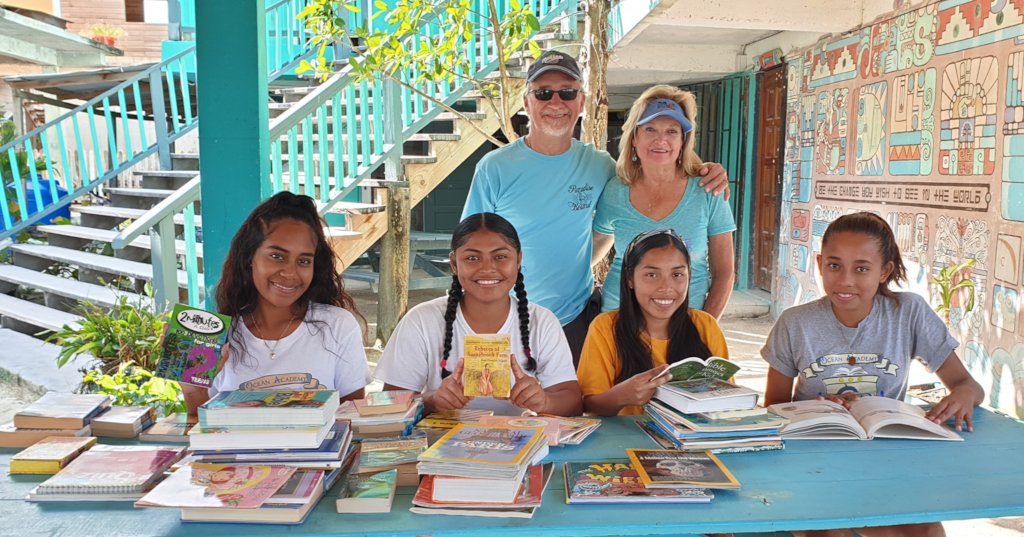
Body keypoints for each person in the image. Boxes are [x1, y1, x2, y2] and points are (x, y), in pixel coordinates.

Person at [462, 49, 730, 365]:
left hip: (574, 319)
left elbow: (616, 219)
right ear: (526, 102)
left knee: (575, 408)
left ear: (582, 102)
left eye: (567, 92)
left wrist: (706, 169)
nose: (556, 102)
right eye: (544, 93)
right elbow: (468, 250)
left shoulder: (600, 167)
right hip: (502, 317)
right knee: (490, 407)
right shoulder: (494, 168)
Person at [762, 212, 984, 537]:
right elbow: (773, 410)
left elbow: (969, 385)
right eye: (834, 265)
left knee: (926, 532)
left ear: (885, 271)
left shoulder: (908, 313)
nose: (845, 280)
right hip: (811, 464)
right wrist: (822, 409)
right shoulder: (795, 324)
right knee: (829, 531)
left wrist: (963, 395)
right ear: (820, 263)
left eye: (861, 268)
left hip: (886, 463)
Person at [374, 212, 582, 416]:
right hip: (440, 445)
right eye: (472, 258)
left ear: (518, 260)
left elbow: (572, 402)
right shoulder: (421, 321)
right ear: (454, 263)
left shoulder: (541, 322)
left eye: (500, 257)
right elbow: (390, 403)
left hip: (518, 442)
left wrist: (544, 401)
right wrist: (432, 400)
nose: (487, 268)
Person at [183, 192, 370, 416]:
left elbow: (352, 419)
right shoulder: (217, 337)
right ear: (249, 257)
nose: (290, 273)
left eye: (303, 261)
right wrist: (193, 388)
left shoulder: (337, 326)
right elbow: (204, 426)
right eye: (277, 256)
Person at [593, 85, 736, 318]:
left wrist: (705, 327)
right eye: (650, 129)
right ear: (634, 140)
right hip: (619, 321)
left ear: (683, 142)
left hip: (686, 325)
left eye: (672, 131)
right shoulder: (616, 191)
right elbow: (594, 247)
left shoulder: (709, 189)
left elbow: (725, 273)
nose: (661, 140)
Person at [577, 228, 729, 416]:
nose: (666, 287)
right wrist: (621, 396)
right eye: (651, 275)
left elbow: (725, 400)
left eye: (677, 275)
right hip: (624, 442)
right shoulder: (605, 328)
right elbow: (589, 406)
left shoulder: (705, 325)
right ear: (630, 279)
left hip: (693, 442)